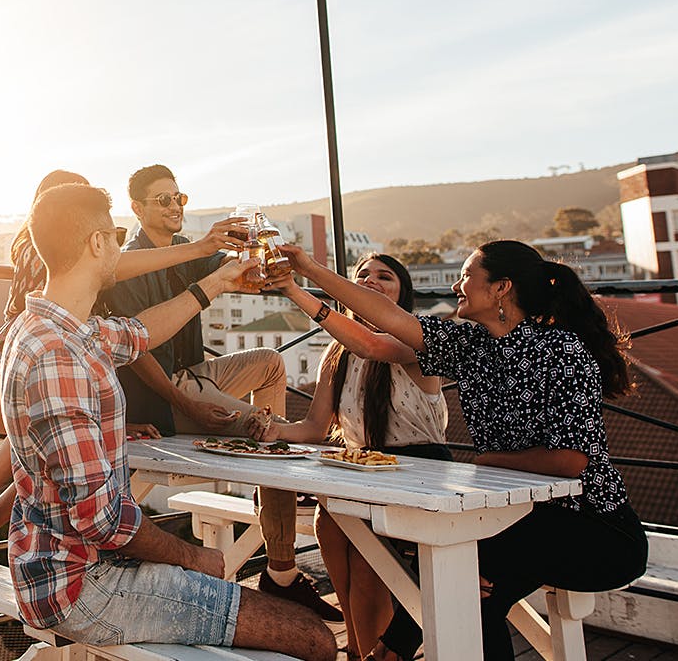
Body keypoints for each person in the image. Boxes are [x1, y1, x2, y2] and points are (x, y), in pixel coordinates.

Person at [0, 181, 336, 661]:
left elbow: (140, 333)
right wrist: (195, 558)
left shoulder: (58, 330)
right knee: (314, 638)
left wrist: (218, 281)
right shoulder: (58, 356)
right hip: (84, 586)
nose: (120, 246)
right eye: (113, 236)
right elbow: (102, 520)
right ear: (97, 244)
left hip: (55, 564)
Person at [281, 239, 648, 661]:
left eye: (467, 275)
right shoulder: (472, 346)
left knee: (461, 576)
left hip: (594, 529)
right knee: (465, 584)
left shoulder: (561, 351)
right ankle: (388, 652)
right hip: (521, 520)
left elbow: (569, 462)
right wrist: (308, 273)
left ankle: (387, 651)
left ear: (500, 288)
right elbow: (380, 330)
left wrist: (491, 461)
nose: (457, 285)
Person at [0, 168, 245, 572]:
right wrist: (197, 249)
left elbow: (132, 320)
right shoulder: (38, 249)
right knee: (40, 434)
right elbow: (121, 267)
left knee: (44, 464)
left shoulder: (71, 288)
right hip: (21, 354)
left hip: (64, 346)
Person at [103, 164, 341, 620]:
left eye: (180, 198)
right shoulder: (131, 261)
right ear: (136, 208)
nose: (175, 207)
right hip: (163, 393)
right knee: (270, 435)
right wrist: (187, 404)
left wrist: (267, 258)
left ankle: (268, 468)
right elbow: (136, 351)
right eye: (163, 200)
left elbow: (237, 273)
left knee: (271, 363)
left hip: (194, 373)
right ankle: (282, 566)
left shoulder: (183, 250)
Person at [247, 252, 448, 660]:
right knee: (331, 523)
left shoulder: (415, 340)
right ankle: (359, 649)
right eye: (361, 276)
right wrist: (272, 431)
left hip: (419, 470)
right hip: (362, 469)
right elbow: (313, 429)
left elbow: (372, 345)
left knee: (364, 545)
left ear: (402, 295)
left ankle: (374, 652)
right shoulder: (336, 355)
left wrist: (293, 288)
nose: (370, 281)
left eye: (384, 277)